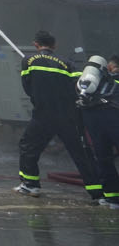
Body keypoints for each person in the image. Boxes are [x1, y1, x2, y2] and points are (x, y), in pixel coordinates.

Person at [15, 30, 101, 202]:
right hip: (68, 116)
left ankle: (30, 185)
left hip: (43, 115)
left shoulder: (28, 60)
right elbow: (78, 87)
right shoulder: (67, 63)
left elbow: (28, 87)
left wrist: (40, 100)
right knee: (81, 153)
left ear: (35, 44)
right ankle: (98, 193)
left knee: (29, 147)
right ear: (54, 46)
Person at [79, 54, 119, 210]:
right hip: (114, 118)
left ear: (110, 67)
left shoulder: (96, 82)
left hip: (95, 121)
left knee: (103, 158)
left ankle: (112, 198)